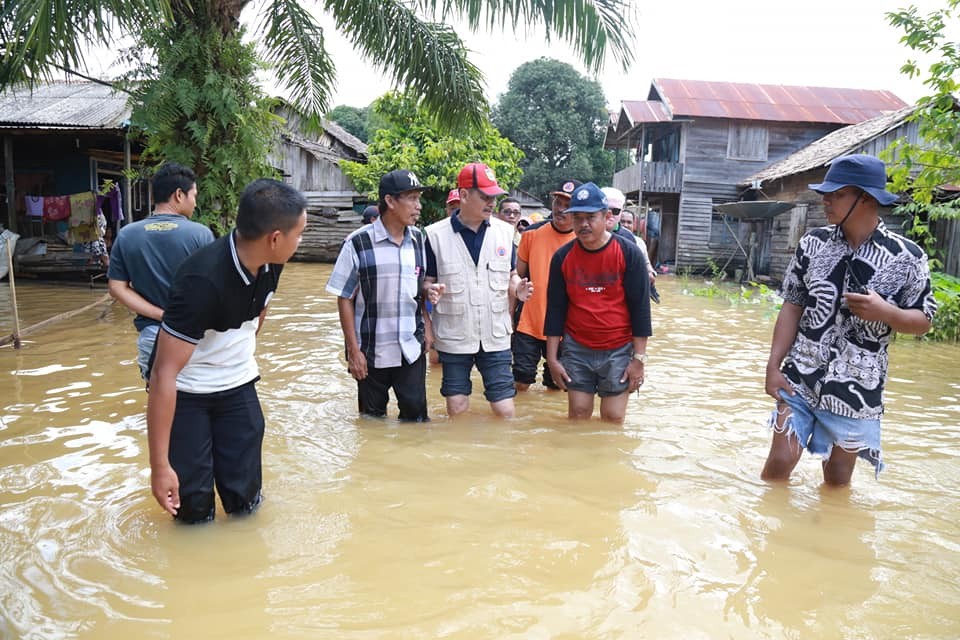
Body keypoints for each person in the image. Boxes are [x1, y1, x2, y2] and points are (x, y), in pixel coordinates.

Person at [761, 154, 936, 487]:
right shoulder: (813, 245)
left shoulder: (908, 256)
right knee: (780, 461)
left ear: (866, 198)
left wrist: (887, 313)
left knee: (838, 480)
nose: (825, 200)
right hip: (801, 374)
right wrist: (773, 365)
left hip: (856, 391)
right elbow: (792, 306)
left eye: (837, 193)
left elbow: (923, 320)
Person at [146, 179, 308, 523]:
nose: (302, 241)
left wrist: (236, 361)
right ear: (275, 238)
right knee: (193, 509)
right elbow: (164, 373)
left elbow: (257, 313)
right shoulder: (201, 281)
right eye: (300, 233)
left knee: (246, 501)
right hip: (188, 393)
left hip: (238, 386)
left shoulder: (272, 261)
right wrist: (159, 467)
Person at [326, 169, 439, 421]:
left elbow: (416, 288)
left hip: (411, 347)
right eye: (411, 198)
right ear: (390, 201)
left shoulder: (419, 239)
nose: (418, 206)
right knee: (370, 422)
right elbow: (344, 297)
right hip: (370, 350)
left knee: (416, 422)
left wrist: (428, 324)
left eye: (418, 199)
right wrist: (354, 351)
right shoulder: (358, 242)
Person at [424, 162, 532, 418]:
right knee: (457, 408)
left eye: (493, 196)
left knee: (505, 410)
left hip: (495, 335)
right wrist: (430, 290)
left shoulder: (505, 233)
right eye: (484, 196)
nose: (491, 203)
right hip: (454, 335)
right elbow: (426, 281)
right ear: (463, 195)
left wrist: (519, 290)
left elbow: (511, 276)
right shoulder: (434, 236)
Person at [544, 182, 652, 423]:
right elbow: (555, 311)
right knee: (578, 415)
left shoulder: (629, 253)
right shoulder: (562, 257)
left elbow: (640, 311)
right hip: (577, 347)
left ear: (607, 217)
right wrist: (552, 360)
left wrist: (639, 360)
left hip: (618, 348)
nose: (584, 224)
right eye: (578, 218)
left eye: (591, 217)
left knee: (613, 418)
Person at [107, 162, 215, 382]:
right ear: (178, 195)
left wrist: (160, 315)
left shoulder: (127, 235)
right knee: (196, 406)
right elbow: (213, 289)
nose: (195, 203)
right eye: (193, 195)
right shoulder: (200, 234)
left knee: (159, 405)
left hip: (152, 336)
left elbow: (117, 288)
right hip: (193, 338)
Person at [512, 178, 580, 391]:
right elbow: (516, 278)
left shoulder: (584, 240)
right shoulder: (531, 234)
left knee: (558, 386)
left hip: (565, 329)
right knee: (520, 381)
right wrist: (508, 318)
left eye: (567, 205)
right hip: (529, 324)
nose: (561, 209)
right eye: (558, 203)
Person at [602, 186, 659, 302]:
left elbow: (644, 264)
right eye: (605, 210)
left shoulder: (634, 241)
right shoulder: (586, 234)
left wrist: (649, 275)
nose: (609, 215)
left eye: (615, 211)